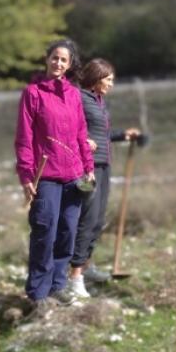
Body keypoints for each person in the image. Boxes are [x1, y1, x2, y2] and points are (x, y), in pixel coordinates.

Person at [14, 39, 95, 314]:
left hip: (74, 176)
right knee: (44, 231)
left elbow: (81, 135)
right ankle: (38, 293)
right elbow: (24, 139)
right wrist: (26, 175)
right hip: (45, 175)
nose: (58, 63)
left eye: (64, 60)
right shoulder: (33, 93)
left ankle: (58, 286)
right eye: (54, 58)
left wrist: (89, 168)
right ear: (46, 59)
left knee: (67, 233)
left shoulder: (73, 94)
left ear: (70, 65)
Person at [68, 58, 140, 299]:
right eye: (108, 79)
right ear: (96, 78)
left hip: (103, 166)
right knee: (86, 220)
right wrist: (81, 146)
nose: (111, 84)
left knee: (98, 220)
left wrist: (121, 135)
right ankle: (74, 277)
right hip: (86, 169)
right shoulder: (78, 98)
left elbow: (101, 133)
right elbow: (68, 130)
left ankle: (86, 267)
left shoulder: (98, 101)